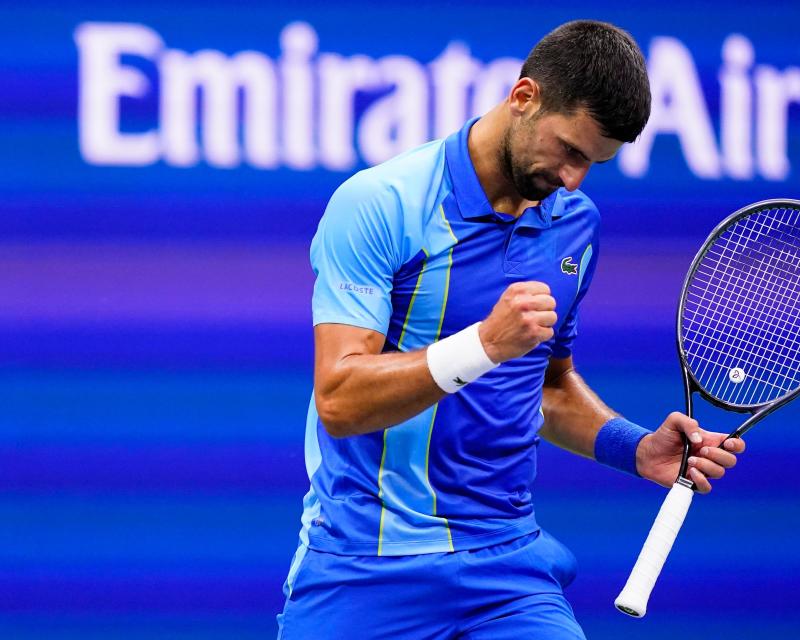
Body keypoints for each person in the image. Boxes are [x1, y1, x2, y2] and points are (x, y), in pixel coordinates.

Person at [277, 19, 745, 640]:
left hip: (507, 571)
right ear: (524, 97)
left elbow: (545, 387)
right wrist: (483, 344)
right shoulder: (380, 203)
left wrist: (633, 448)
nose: (574, 179)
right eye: (570, 150)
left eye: (594, 163)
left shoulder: (575, 223)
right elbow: (339, 400)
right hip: (365, 566)